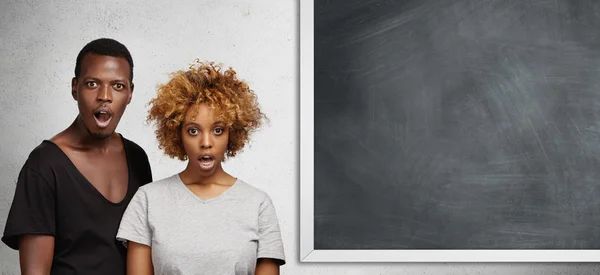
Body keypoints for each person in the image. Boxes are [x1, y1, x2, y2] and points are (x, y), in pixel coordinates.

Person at [116, 60, 285, 274]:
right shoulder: (148, 200)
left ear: (232, 133)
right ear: (177, 134)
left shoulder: (258, 204)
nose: (206, 142)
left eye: (218, 130)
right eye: (193, 131)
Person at [1, 38, 153, 274]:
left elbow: (143, 252)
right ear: (75, 87)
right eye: (92, 84)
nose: (105, 96)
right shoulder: (44, 165)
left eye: (118, 86)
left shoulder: (137, 158)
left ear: (131, 93)